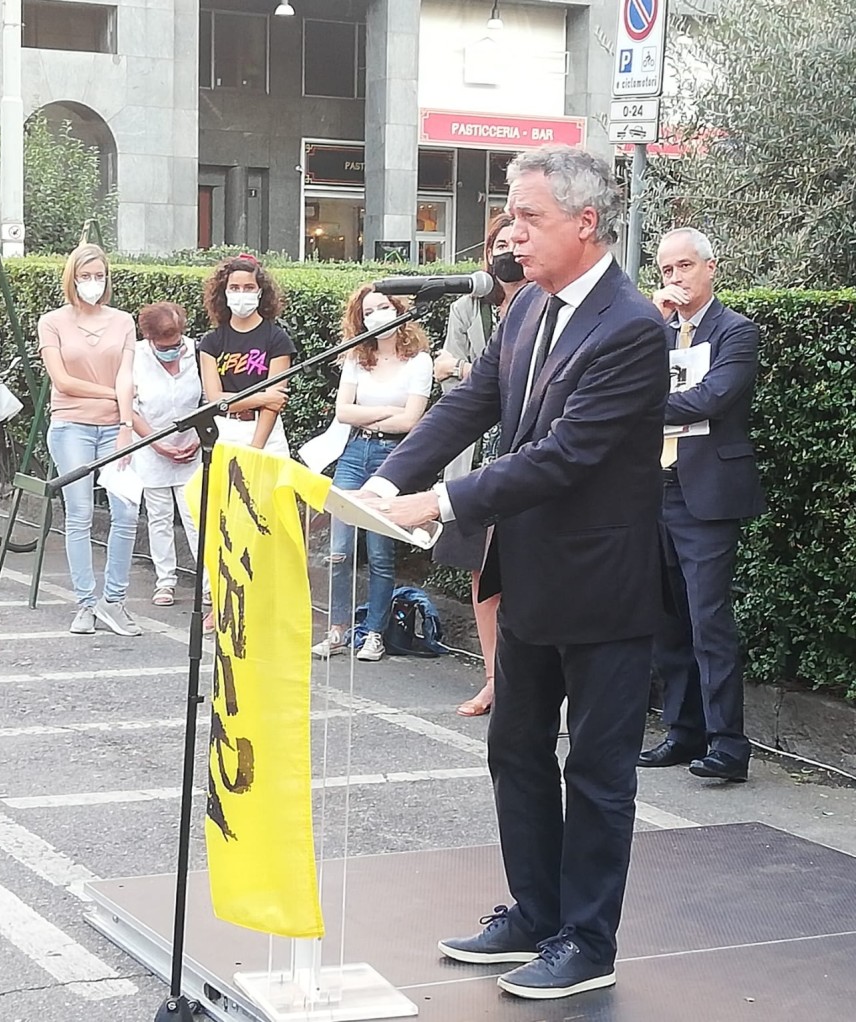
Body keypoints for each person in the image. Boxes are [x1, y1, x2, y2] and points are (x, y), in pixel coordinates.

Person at [360, 146, 668, 1001]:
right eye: (509, 215)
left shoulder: (634, 326)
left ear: (585, 222)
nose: (509, 233)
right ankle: (536, 912)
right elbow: (471, 403)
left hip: (602, 585)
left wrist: (440, 502)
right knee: (516, 749)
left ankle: (588, 939)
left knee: (599, 774)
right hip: (527, 573)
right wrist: (389, 479)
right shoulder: (528, 308)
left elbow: (565, 456)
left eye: (528, 217)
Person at [638, 227, 765, 782]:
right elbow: (611, 375)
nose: (676, 278)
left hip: (706, 497)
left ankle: (728, 745)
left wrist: (641, 405)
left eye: (685, 267)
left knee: (709, 620)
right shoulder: (654, 334)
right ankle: (682, 730)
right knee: (667, 623)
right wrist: (650, 320)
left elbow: (713, 397)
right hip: (652, 490)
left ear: (711, 268)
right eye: (667, 270)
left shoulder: (736, 332)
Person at [431, 212, 527, 716]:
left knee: (525, 574)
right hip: (473, 462)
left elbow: (468, 371)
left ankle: (536, 688)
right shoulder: (469, 306)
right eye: (499, 244)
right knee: (482, 573)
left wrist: (467, 368)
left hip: (525, 461)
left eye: (517, 241)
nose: (509, 251)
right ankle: (493, 679)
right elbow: (450, 384)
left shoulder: (550, 305)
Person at [311, 285, 432, 663]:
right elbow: (343, 412)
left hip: (390, 457)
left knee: (380, 552)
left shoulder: (419, 361)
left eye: (384, 307)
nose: (377, 316)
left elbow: (412, 420)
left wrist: (374, 414)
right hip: (353, 451)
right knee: (339, 550)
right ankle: (338, 629)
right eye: (368, 311)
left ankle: (375, 632)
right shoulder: (356, 359)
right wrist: (385, 414)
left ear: (399, 311)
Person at [39, 243, 142, 637]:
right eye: (85, 277)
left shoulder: (123, 321)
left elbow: (126, 374)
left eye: (99, 276)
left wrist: (126, 420)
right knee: (79, 513)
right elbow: (62, 381)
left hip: (116, 427)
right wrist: (114, 397)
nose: (93, 284)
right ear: (72, 279)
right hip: (71, 426)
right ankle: (85, 603)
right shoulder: (53, 322)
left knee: (127, 513)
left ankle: (113, 601)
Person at [131, 302, 210, 608]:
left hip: (192, 447)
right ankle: (165, 581)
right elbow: (130, 406)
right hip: (153, 449)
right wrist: (155, 442)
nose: (172, 350)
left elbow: (208, 398)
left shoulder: (197, 352)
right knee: (159, 517)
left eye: (176, 343)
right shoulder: (136, 357)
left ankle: (208, 584)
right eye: (163, 346)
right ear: (148, 338)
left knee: (196, 517)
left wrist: (197, 439)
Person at [197, 253, 294, 455]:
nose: (241, 293)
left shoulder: (277, 339)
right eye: (234, 288)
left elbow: (274, 403)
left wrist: (255, 449)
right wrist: (262, 398)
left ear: (260, 292)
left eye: (249, 288)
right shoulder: (211, 341)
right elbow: (215, 399)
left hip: (266, 435)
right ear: (224, 292)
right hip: (225, 430)